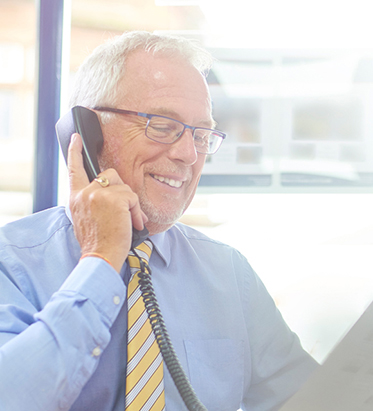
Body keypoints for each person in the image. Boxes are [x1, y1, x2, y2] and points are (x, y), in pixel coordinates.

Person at [0, 31, 317, 411]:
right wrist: (100, 260)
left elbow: (319, 400)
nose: (187, 154)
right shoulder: (12, 265)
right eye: (163, 126)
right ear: (86, 132)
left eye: (201, 135)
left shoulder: (229, 274)